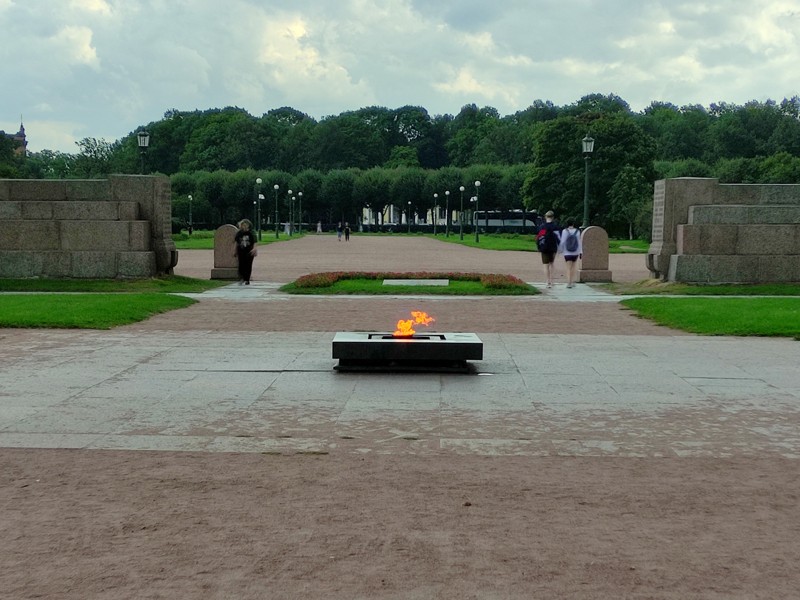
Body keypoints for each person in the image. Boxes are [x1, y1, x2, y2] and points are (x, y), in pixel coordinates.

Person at [537, 210, 561, 288]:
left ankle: (548, 281)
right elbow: (558, 238)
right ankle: (552, 281)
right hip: (553, 247)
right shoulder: (555, 227)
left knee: (545, 265)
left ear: (545, 217)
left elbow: (539, 238)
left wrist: (539, 247)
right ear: (553, 217)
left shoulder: (542, 227)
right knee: (552, 264)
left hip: (544, 247)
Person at [559, 218, 583, 288]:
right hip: (575, 252)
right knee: (573, 267)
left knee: (568, 268)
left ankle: (569, 282)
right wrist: (581, 251)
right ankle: (572, 281)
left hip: (567, 252)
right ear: (573, 223)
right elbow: (579, 242)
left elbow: (562, 241)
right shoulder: (577, 231)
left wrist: (560, 250)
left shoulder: (564, 231)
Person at [233, 219, 257, 285]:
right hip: (241, 251)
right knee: (241, 265)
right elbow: (236, 242)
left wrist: (254, 249)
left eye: (245, 225)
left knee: (248, 265)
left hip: (249, 251)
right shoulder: (239, 233)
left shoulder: (252, 232)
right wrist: (235, 251)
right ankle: (242, 278)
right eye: (242, 225)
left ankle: (247, 279)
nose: (244, 227)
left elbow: (255, 241)